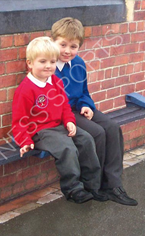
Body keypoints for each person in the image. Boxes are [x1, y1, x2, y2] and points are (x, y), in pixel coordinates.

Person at [52, 17, 138, 206]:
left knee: (113, 127)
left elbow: (84, 91)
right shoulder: (49, 68)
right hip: (62, 113)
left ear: (79, 47)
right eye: (63, 44)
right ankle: (94, 185)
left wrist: (86, 105)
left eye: (73, 46)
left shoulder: (79, 64)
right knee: (97, 132)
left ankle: (113, 184)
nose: (67, 51)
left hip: (79, 108)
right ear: (53, 42)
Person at [12, 36, 107, 204]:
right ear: (30, 63)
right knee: (67, 148)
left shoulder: (55, 81)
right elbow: (19, 121)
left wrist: (69, 121)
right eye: (42, 62)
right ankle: (73, 189)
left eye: (52, 62)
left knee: (86, 139)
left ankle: (92, 185)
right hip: (41, 132)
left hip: (60, 126)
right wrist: (24, 140)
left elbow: (64, 106)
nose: (48, 66)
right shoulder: (25, 89)